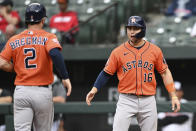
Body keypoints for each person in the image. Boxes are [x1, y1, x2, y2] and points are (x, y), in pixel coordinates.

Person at [86, 16, 181, 131]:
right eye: (129, 28)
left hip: (148, 100)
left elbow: (165, 73)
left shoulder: (155, 50)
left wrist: (173, 95)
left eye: (135, 28)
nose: (131, 31)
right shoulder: (118, 52)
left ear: (143, 30)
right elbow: (106, 73)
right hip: (126, 99)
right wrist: (94, 89)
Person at [0, 3, 72, 131]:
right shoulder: (48, 37)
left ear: (27, 20)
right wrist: (65, 77)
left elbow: (1, 62)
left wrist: (15, 68)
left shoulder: (14, 39)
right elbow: (55, 54)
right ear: (43, 20)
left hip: (22, 91)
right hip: (42, 91)